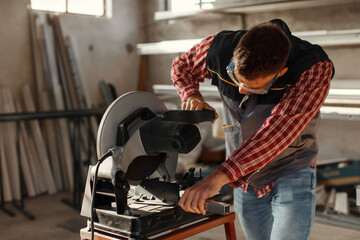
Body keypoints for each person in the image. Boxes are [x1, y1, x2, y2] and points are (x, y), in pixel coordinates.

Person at [171, 19, 334, 240]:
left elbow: (275, 134)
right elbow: (181, 66)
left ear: (281, 72)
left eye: (253, 88)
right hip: (243, 176)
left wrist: (217, 178)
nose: (240, 90)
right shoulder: (219, 47)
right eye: (236, 78)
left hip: (290, 169)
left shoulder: (313, 69)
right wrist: (190, 94)